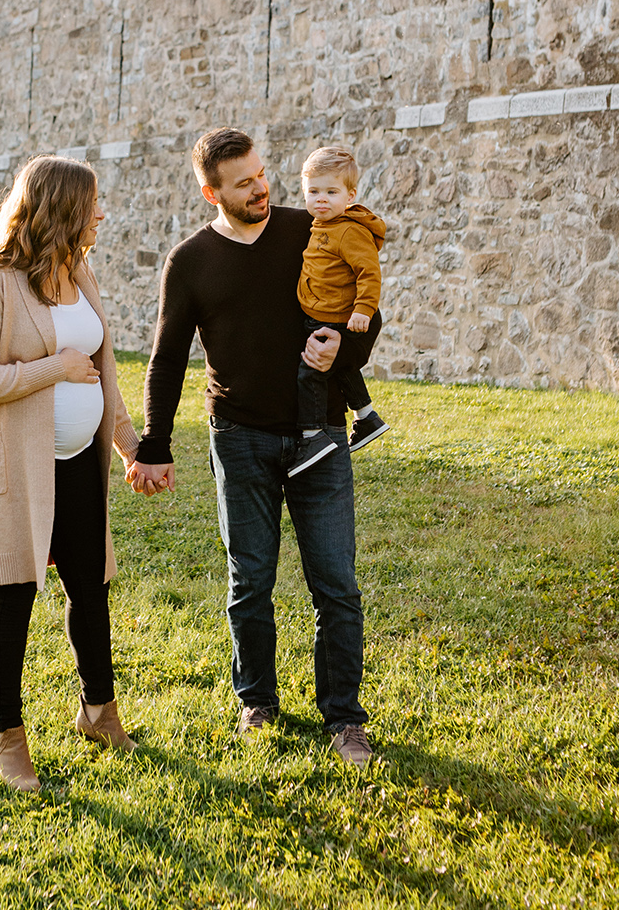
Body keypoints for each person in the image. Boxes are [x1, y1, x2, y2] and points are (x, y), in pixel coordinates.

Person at [127, 128, 373, 765]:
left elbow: (364, 306)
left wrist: (343, 350)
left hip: (319, 433)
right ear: (212, 192)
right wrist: (154, 443)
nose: (261, 187)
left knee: (337, 585)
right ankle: (256, 702)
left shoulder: (308, 230)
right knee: (250, 582)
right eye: (243, 183)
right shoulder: (191, 262)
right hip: (238, 438)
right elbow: (166, 360)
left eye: (262, 174)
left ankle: (345, 718)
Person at [0, 155, 140, 793]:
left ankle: (98, 711)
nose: (101, 216)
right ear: (61, 210)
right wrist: (54, 368)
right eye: (92, 207)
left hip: (82, 460)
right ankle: (9, 738)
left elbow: (104, 369)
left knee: (90, 587)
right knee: (14, 593)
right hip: (13, 465)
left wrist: (129, 446)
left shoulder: (79, 272)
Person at [290, 145, 388, 478]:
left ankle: (312, 435)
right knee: (342, 367)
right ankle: (366, 417)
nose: (321, 199)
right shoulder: (322, 224)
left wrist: (363, 309)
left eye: (331, 192)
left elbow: (369, 272)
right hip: (323, 312)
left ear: (350, 195)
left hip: (339, 315)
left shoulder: (348, 230)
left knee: (311, 370)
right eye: (313, 191)